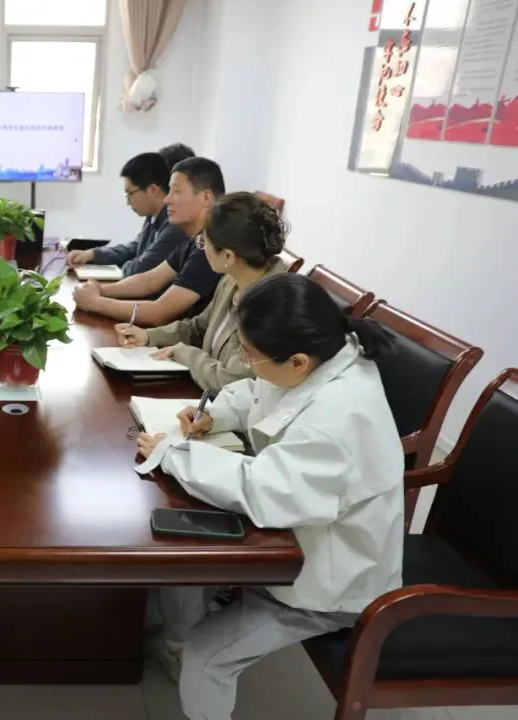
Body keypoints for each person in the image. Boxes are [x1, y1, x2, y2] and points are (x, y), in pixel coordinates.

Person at [136, 273, 404, 720]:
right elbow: (262, 389)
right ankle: (175, 636)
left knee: (207, 656)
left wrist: (174, 456)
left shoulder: (340, 416)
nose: (244, 360)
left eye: (249, 354)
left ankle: (189, 651)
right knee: (184, 562)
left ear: (297, 361)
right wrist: (215, 414)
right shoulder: (322, 354)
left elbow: (263, 489)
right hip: (306, 533)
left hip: (330, 582)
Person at [114, 192, 290, 393]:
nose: (202, 248)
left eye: (204, 242)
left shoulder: (272, 306)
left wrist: (183, 354)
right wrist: (148, 336)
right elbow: (198, 328)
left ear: (228, 256)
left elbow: (227, 381)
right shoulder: (231, 280)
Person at [72, 157, 226, 326]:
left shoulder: (210, 248)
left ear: (206, 197)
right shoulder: (195, 241)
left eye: (176, 191)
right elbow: (149, 281)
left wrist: (95, 302)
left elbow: (159, 312)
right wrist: (99, 289)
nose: (167, 199)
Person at [67, 144, 195, 276]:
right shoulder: (153, 215)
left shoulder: (177, 223)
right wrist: (93, 254)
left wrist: (122, 267)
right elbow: (134, 249)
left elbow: (142, 267)